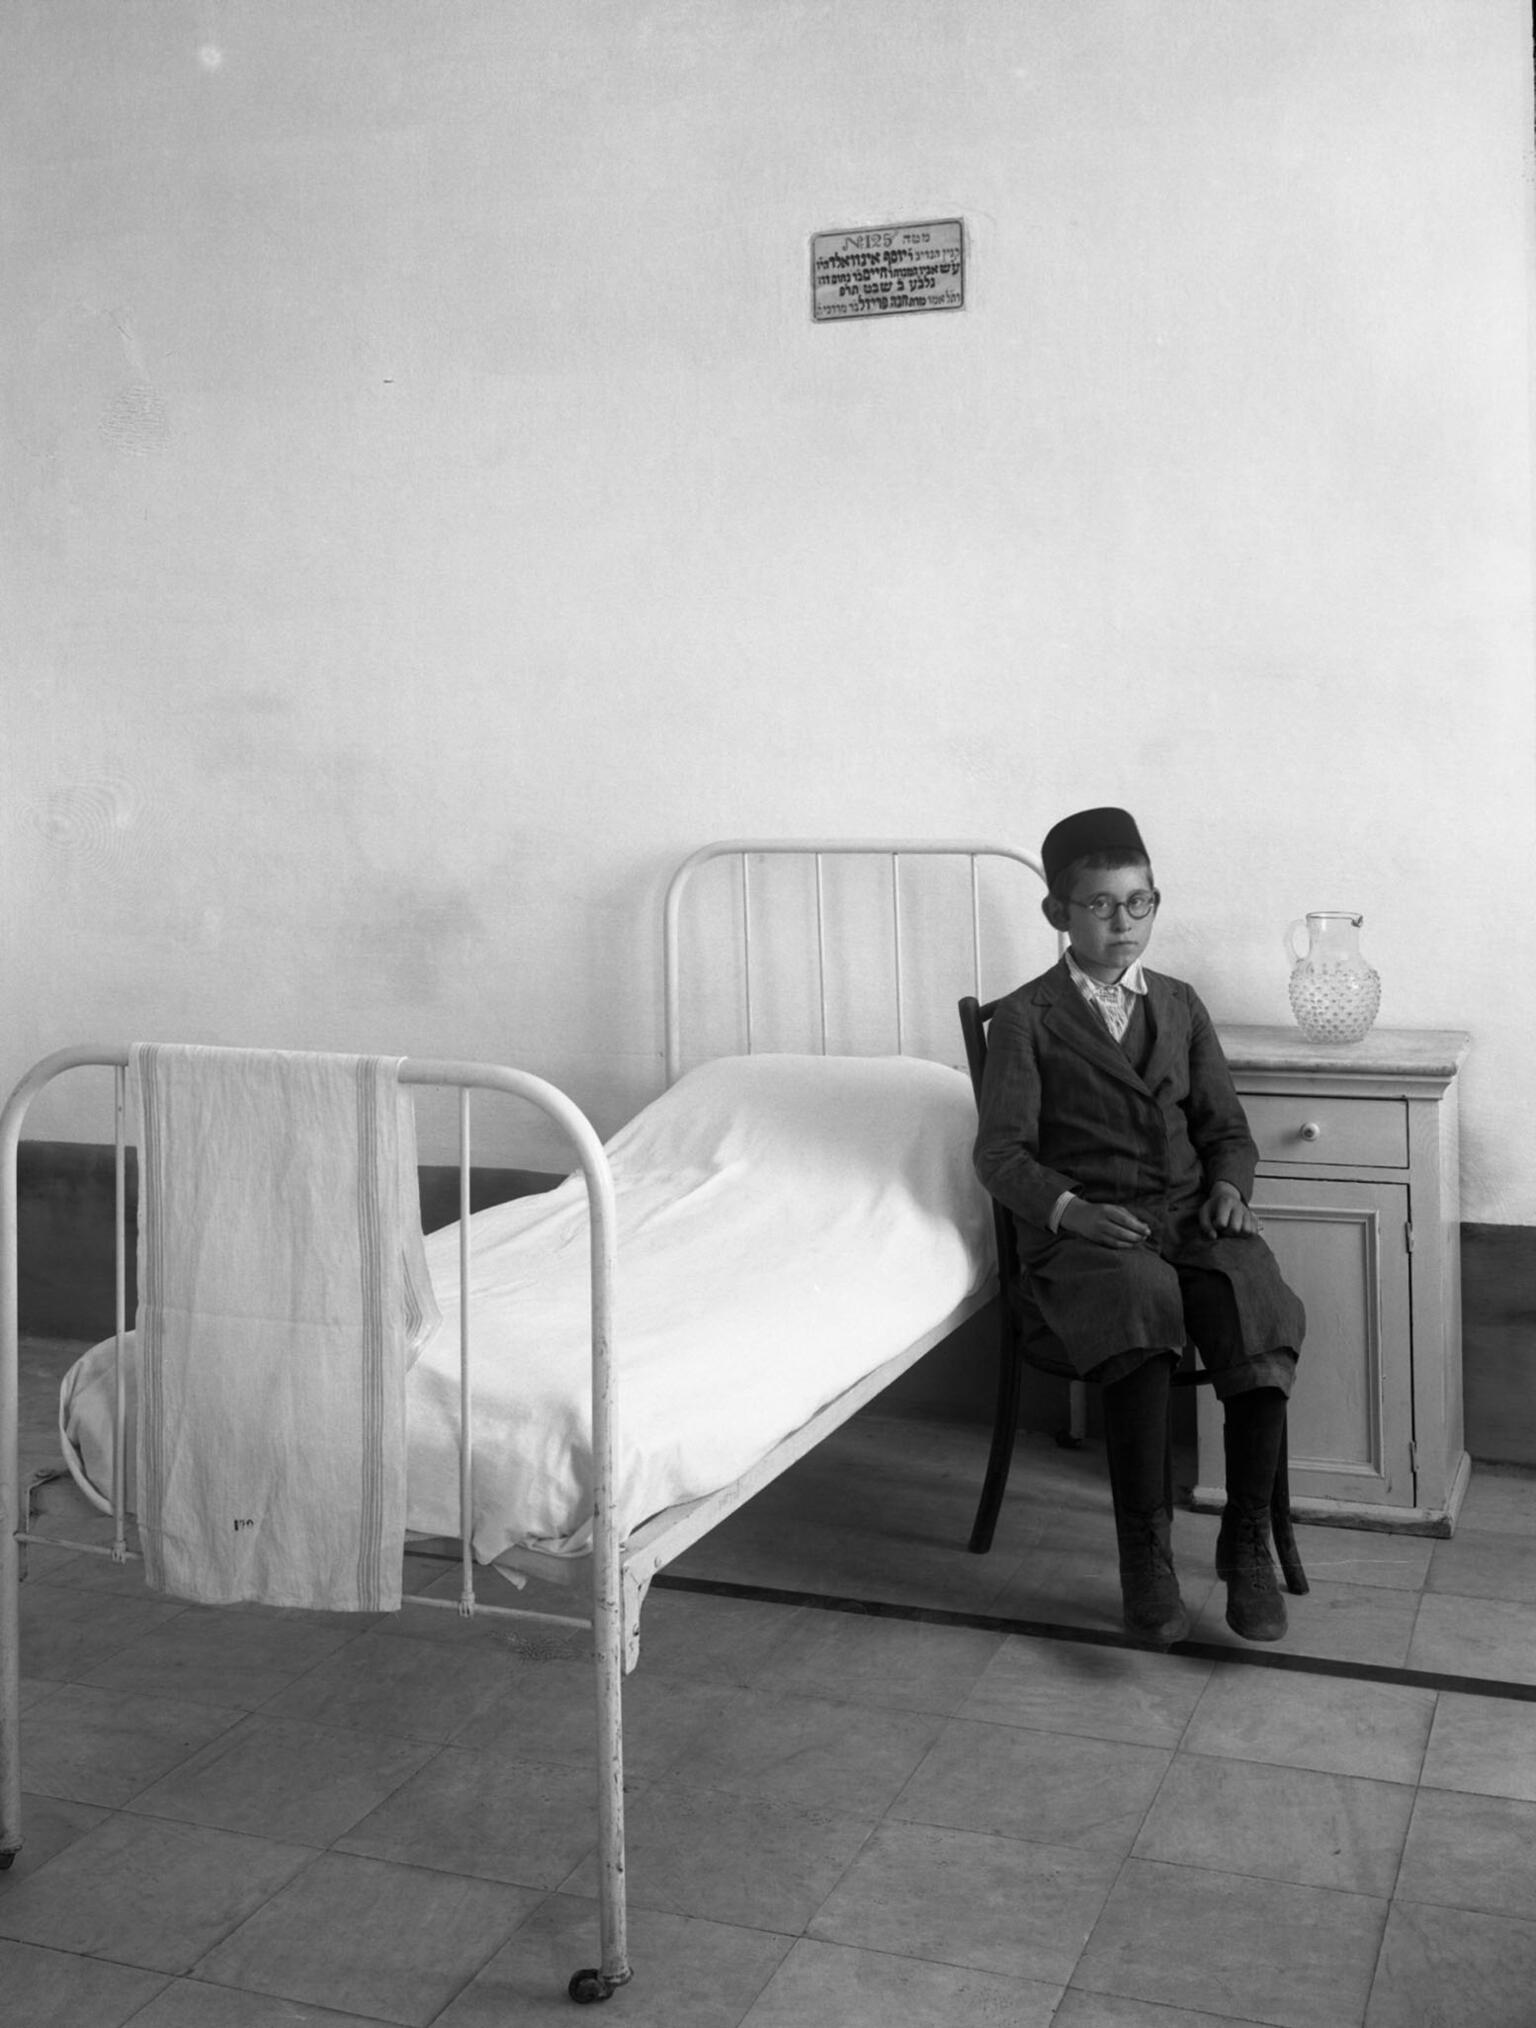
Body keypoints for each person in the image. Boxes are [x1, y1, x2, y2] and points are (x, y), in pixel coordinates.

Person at [973, 806, 1305, 1646]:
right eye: (1099, 906)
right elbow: (1002, 1154)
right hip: (1094, 1235)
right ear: (1057, 915)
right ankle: (1145, 1555)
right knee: (1138, 1303)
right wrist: (1071, 1210)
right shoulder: (1026, 1017)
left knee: (1253, 1293)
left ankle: (1246, 1542)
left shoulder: (1182, 1006)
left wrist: (1230, 1187)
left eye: (1139, 903)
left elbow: (1226, 1129)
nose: (1123, 924)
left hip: (1191, 1216)